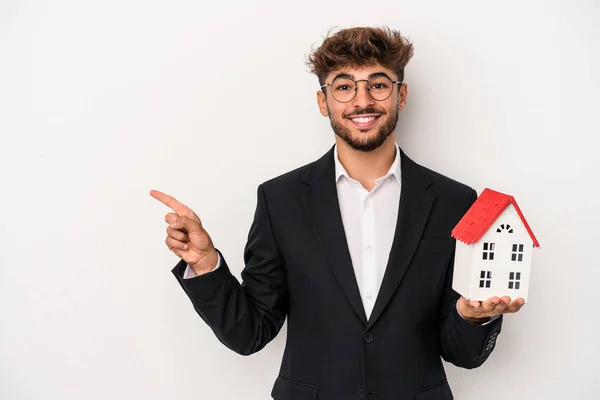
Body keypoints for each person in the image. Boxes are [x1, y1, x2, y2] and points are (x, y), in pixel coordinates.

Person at [150, 26, 524, 400]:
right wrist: (205, 265)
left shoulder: (454, 201)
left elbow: (462, 352)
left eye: (378, 85)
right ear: (323, 101)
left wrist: (475, 316)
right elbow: (250, 334)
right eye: (344, 87)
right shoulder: (280, 200)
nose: (362, 101)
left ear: (401, 95)